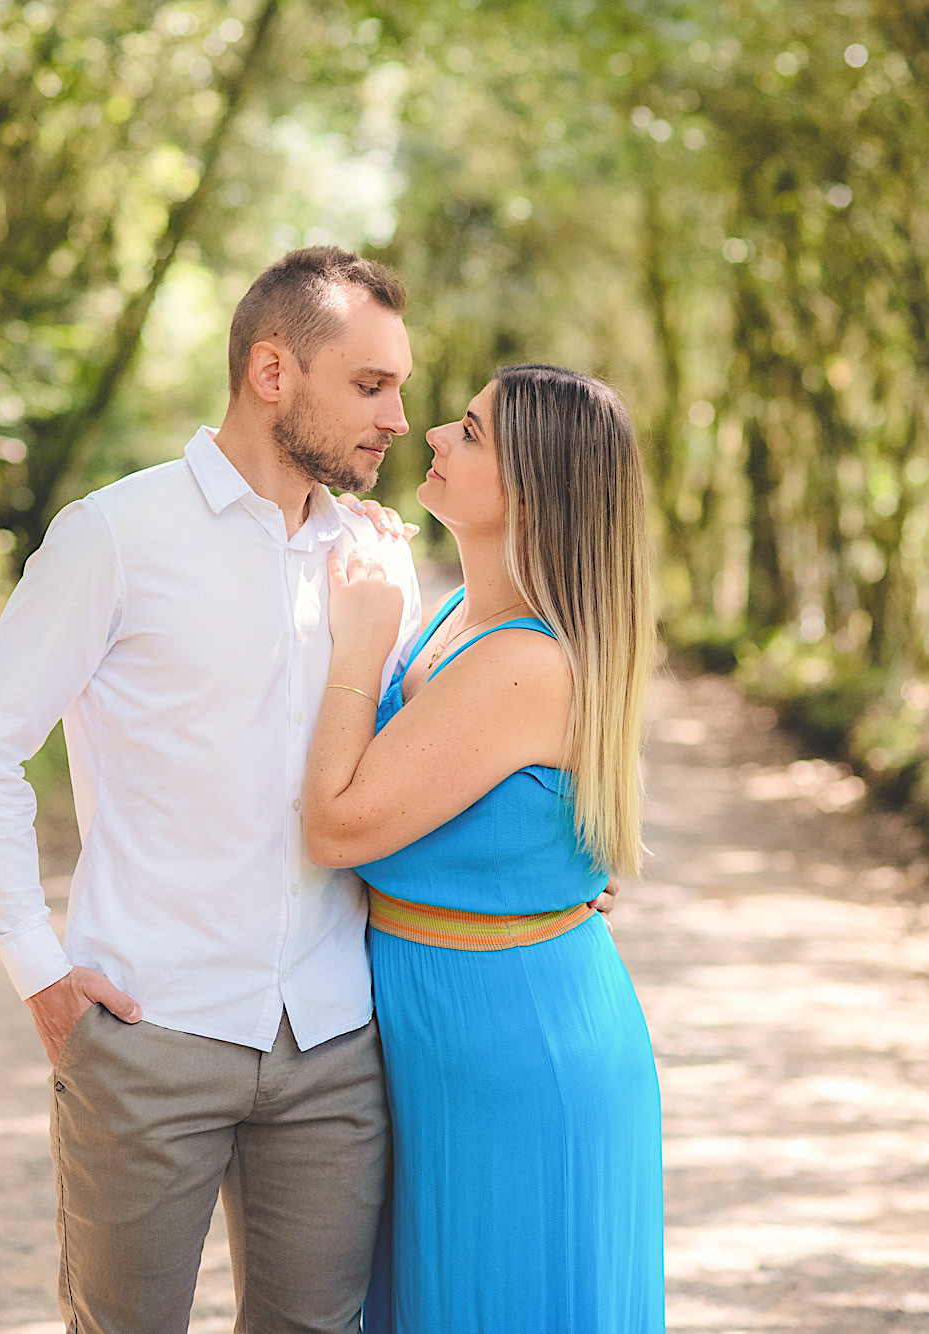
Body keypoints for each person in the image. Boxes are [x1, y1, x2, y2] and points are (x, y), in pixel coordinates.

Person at [0, 246, 426, 1334]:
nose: (398, 416)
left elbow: (418, 768)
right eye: (370, 384)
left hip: (334, 1045)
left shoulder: (378, 558)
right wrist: (38, 968)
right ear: (271, 372)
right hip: (149, 1030)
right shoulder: (116, 534)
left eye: (398, 386)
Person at [304, 363, 664, 1333]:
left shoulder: (524, 659)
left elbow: (338, 823)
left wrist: (359, 639)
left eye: (470, 431)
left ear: (534, 489)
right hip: (441, 1032)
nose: (434, 436)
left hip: (513, 1047)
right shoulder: (464, 619)